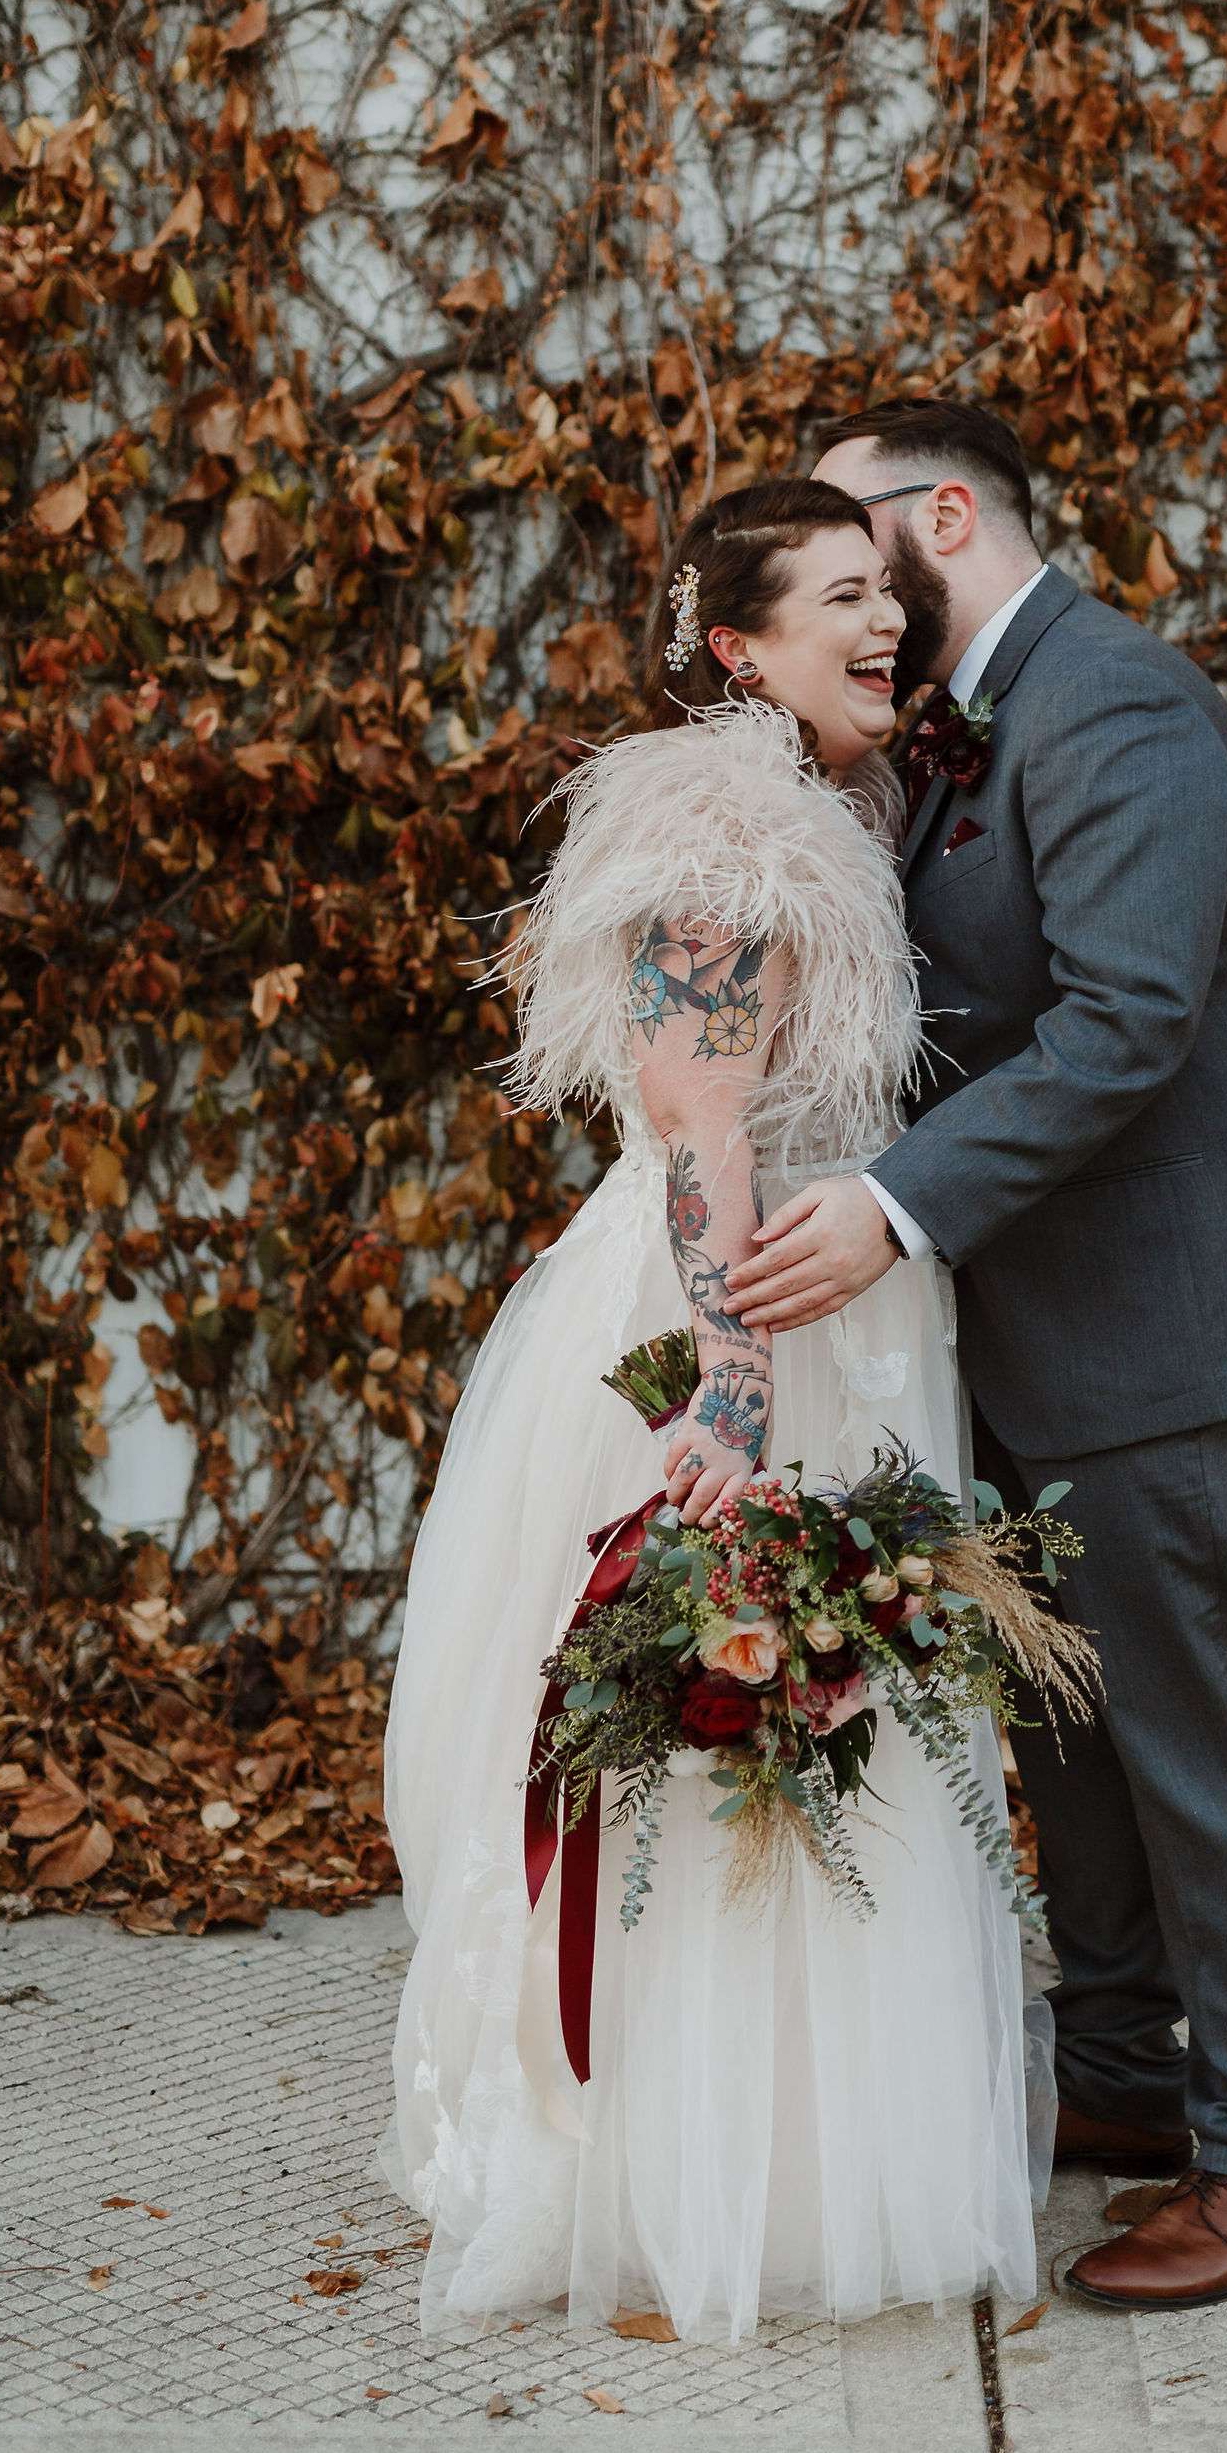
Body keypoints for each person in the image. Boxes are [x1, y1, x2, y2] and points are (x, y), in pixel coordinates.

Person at [727, 401, 1227, 2312]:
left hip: (1179, 1329)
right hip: (1046, 1326)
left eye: (856, 533)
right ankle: (1121, 2076)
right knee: (1072, 1730)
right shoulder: (960, 724)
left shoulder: (1116, 703)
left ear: (946, 515)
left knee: (1199, 1738)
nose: (845, 579)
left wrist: (894, 1205)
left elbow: (1125, 1022)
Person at [379, 477, 1044, 2345]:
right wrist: (734, 1404)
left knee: (848, 1742)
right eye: (838, 596)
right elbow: (700, 1124)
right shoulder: (725, 829)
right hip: (738, 1311)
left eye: (887, 591)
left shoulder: (842, 800)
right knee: (719, 1739)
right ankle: (668, 2170)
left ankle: (824, 2158)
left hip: (849, 1299)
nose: (885, 621)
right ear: (739, 646)